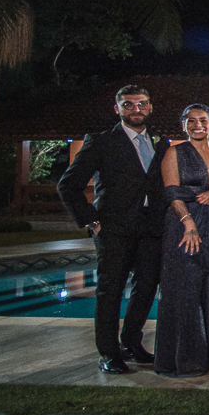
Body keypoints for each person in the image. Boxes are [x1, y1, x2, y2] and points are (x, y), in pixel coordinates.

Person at [57, 85, 169, 374]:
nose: (136, 109)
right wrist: (91, 221)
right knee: (111, 292)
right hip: (114, 230)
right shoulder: (101, 142)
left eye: (141, 103)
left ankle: (132, 342)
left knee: (146, 289)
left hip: (151, 229)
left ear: (150, 107)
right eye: (128, 104)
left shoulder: (161, 143)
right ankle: (108, 353)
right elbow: (67, 185)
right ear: (117, 109)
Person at [154, 104, 209, 377]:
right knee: (184, 289)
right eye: (192, 120)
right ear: (183, 124)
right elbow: (172, 192)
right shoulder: (174, 152)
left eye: (204, 120)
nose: (198, 125)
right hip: (186, 225)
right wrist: (188, 223)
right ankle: (183, 358)